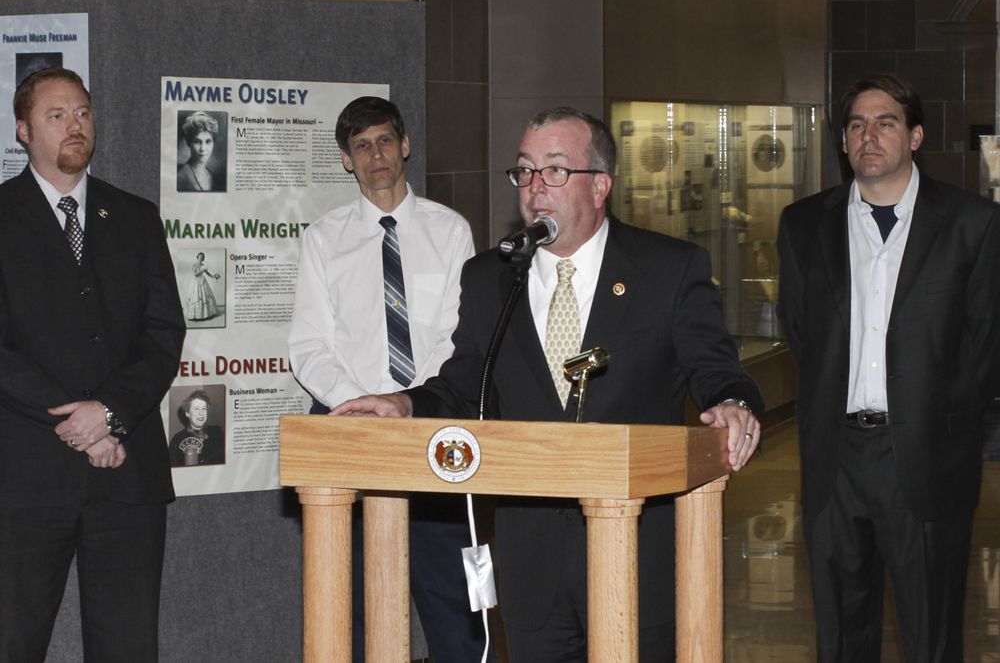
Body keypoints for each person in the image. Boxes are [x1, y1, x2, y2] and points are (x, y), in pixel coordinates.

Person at [333, 106, 764, 662]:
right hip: (532, 566)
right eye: (525, 170)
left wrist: (732, 403)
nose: (535, 187)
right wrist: (404, 404)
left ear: (600, 185)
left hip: (638, 558)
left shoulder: (669, 268)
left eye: (555, 170)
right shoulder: (491, 278)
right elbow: (464, 387)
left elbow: (716, 369)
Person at [777, 73, 1000, 662]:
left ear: (915, 136)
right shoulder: (803, 224)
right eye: (856, 125)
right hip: (835, 456)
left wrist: (940, 412)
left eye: (885, 123)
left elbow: (987, 344)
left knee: (931, 633)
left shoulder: (972, 223)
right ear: (843, 141)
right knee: (841, 634)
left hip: (929, 456)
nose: (868, 136)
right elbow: (801, 333)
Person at [287, 96, 485, 663]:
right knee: (347, 605)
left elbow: (458, 340)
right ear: (346, 159)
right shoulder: (323, 238)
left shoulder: (450, 231)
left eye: (384, 141)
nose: (376, 155)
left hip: (432, 432)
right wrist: (368, 406)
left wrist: (409, 403)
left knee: (455, 604)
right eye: (361, 146)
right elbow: (308, 346)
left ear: (405, 146)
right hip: (352, 434)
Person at [0, 68, 185, 661]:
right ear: (24, 131)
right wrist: (79, 422)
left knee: (128, 647)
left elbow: (164, 333)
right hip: (26, 479)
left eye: (82, 112)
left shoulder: (135, 216)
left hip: (127, 476)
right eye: (56, 116)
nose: (75, 125)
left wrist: (109, 413)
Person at [168, 390, 225, 467]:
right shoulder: (177, 439)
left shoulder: (217, 432)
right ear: (187, 413)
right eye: (196, 409)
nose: (201, 413)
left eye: (204, 408)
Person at [177, 111, 222, 192]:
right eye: (197, 142)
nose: (203, 148)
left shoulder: (213, 178)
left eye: (208, 141)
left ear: (213, 143)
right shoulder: (179, 176)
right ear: (189, 143)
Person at [185, 251, 221, 321]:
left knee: (205, 295)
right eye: (199, 257)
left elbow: (208, 273)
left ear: (203, 258)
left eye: (202, 257)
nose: (200, 258)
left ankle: (206, 314)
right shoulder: (195, 265)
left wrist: (214, 277)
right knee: (196, 296)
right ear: (197, 257)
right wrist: (201, 271)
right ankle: (195, 315)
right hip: (196, 282)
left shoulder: (204, 265)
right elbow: (195, 274)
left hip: (202, 280)